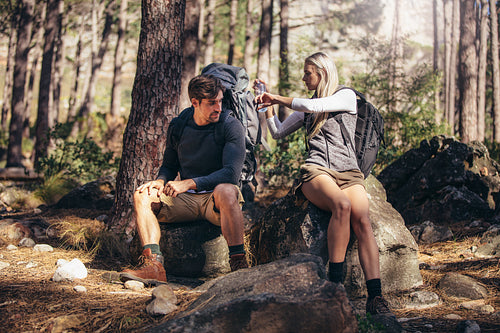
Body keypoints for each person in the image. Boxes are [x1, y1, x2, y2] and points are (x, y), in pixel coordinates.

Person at [254, 52, 394, 317]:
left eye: (308, 72)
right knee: (341, 205)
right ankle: (335, 287)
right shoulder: (309, 107)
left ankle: (376, 297)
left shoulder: (346, 96)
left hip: (350, 172)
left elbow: (314, 107)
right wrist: (267, 108)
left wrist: (277, 97)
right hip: (317, 171)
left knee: (362, 219)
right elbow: (278, 132)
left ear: (323, 73)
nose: (304, 77)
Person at [121, 74, 249, 284]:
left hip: (215, 201)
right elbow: (170, 165)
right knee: (142, 195)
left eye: (219, 101)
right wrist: (161, 181)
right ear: (195, 103)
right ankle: (153, 266)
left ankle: (239, 266)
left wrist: (189, 183)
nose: (218, 107)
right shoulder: (180, 125)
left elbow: (231, 174)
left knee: (225, 190)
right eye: (211, 103)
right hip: (186, 200)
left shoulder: (230, 125)